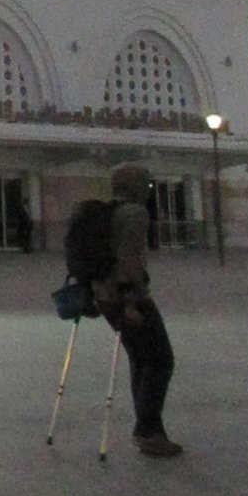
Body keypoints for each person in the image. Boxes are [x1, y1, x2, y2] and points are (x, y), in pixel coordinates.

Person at [94, 162, 181, 457]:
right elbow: (130, 261)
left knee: (141, 359)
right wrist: (133, 299)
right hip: (127, 297)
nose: (148, 188)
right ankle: (147, 429)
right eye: (144, 183)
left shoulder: (107, 212)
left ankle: (150, 428)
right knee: (161, 360)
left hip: (104, 296)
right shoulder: (135, 213)